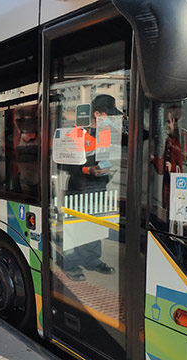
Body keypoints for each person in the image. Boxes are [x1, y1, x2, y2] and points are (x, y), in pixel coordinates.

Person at [63, 94, 118, 281]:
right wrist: (88, 170)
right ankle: (71, 264)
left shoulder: (105, 131)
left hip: (99, 184)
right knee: (77, 225)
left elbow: (107, 155)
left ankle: (92, 259)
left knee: (95, 223)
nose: (110, 117)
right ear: (95, 113)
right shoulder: (76, 133)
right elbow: (65, 164)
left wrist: (107, 169)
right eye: (107, 113)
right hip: (80, 185)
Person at [151, 104, 183, 208]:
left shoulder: (180, 144)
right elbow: (162, 168)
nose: (168, 125)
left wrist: (172, 168)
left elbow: (184, 167)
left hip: (176, 189)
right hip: (168, 186)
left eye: (170, 122)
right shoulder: (170, 141)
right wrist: (154, 159)